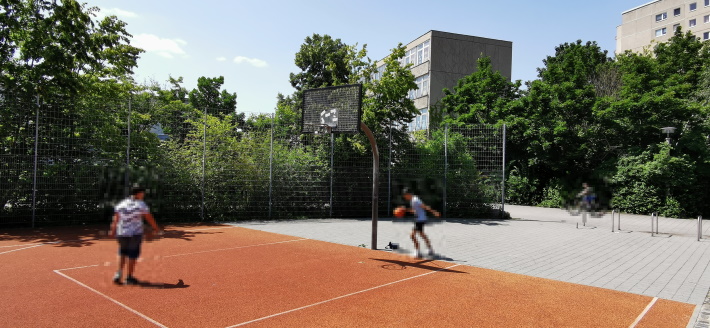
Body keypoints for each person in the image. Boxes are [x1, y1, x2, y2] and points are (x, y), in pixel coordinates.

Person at [109, 186, 161, 285]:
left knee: (122, 252)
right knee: (132, 254)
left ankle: (118, 273)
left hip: (122, 233)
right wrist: (156, 228)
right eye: (142, 193)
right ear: (139, 193)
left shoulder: (122, 204)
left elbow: (116, 218)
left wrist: (112, 230)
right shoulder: (141, 204)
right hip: (134, 233)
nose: (143, 195)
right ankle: (129, 277)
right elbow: (148, 217)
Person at [402, 188, 440, 258]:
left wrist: (434, 212)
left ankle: (418, 252)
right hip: (420, 219)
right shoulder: (412, 200)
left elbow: (424, 207)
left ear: (408, 194)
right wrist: (405, 210)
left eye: (405, 195)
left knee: (412, 235)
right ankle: (430, 249)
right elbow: (414, 211)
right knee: (422, 234)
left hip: (420, 219)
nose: (404, 197)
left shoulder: (415, 200)